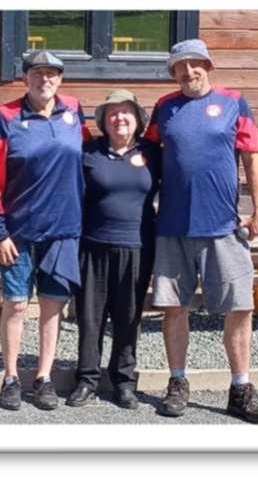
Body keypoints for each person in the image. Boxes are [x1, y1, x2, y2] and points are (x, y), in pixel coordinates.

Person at [143, 38, 258, 424]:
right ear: (173, 73)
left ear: (208, 66)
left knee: (239, 307)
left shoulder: (235, 102)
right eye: (179, 67)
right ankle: (177, 382)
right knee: (174, 308)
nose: (188, 71)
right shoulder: (165, 107)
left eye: (195, 63)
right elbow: (147, 158)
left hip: (223, 227)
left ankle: (241, 389)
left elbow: (251, 158)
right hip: (173, 227)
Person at [0, 50, 91, 411]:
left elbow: (88, 161)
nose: (46, 79)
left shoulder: (74, 111)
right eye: (38, 73)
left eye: (52, 73)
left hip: (63, 232)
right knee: (15, 305)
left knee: (53, 307)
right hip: (18, 234)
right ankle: (11, 377)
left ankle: (43, 377)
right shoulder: (5, 117)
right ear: (26, 78)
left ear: (61, 78)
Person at [66, 89, 160, 410]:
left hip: (137, 247)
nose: (120, 118)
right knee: (90, 317)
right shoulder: (88, 152)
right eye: (112, 113)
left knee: (128, 317)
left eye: (126, 111)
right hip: (93, 246)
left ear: (138, 119)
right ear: (104, 121)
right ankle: (86, 380)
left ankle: (123, 382)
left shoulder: (152, 153)